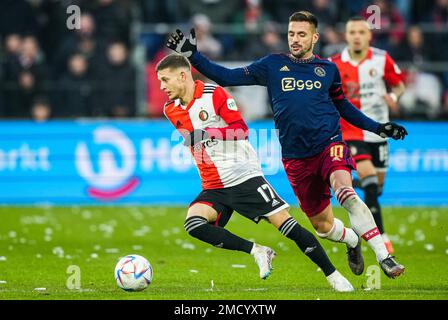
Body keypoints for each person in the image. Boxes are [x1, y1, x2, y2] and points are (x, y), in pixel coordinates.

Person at [166, 11, 407, 279]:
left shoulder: (328, 70)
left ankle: (385, 256)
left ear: (314, 37)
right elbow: (228, 77)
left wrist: (377, 127)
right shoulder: (272, 65)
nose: (295, 39)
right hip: (296, 158)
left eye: (301, 34)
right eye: (291, 33)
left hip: (330, 144)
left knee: (345, 191)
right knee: (323, 227)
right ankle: (352, 240)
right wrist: (194, 56)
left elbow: (343, 107)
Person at [156, 53, 354, 292]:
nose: (162, 87)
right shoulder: (170, 110)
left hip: (244, 176)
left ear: (182, 75)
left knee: (287, 227)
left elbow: (241, 131)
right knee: (194, 224)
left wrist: (208, 133)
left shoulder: (213, 94)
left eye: (165, 80)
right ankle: (258, 251)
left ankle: (334, 276)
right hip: (213, 184)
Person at [330, 17, 406, 254]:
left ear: (369, 35)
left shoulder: (382, 59)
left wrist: (393, 98)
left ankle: (342, 182)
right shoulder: (334, 64)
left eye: (361, 32)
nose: (356, 36)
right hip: (351, 131)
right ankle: (382, 238)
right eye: (352, 31)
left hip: (378, 131)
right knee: (371, 181)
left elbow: (399, 84)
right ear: (346, 35)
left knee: (376, 187)